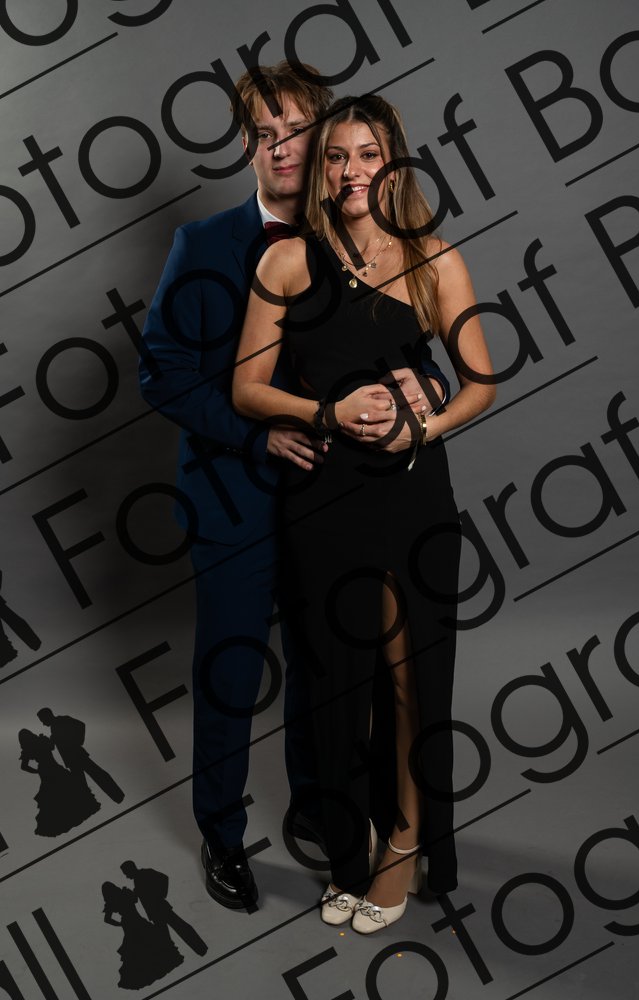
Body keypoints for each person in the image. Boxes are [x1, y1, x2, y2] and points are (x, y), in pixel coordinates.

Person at [139, 63, 451, 911]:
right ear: (247, 146)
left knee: (331, 668)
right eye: (264, 134)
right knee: (232, 669)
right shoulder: (202, 245)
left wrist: (428, 383)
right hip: (234, 497)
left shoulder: (355, 235)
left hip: (337, 501)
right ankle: (222, 833)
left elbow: (403, 340)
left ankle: (322, 807)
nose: (282, 148)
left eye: (298, 132)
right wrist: (258, 430)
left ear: (324, 141)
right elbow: (160, 373)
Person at [233, 93, 496, 933]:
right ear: (322, 167)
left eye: (370, 154)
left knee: (410, 676)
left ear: (395, 163)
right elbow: (246, 388)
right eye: (339, 155)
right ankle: (353, 847)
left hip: (412, 494)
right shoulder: (286, 261)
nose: (353, 171)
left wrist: (426, 422)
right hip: (322, 497)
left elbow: (481, 383)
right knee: (334, 680)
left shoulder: (433, 258)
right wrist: (326, 413)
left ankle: (407, 843)